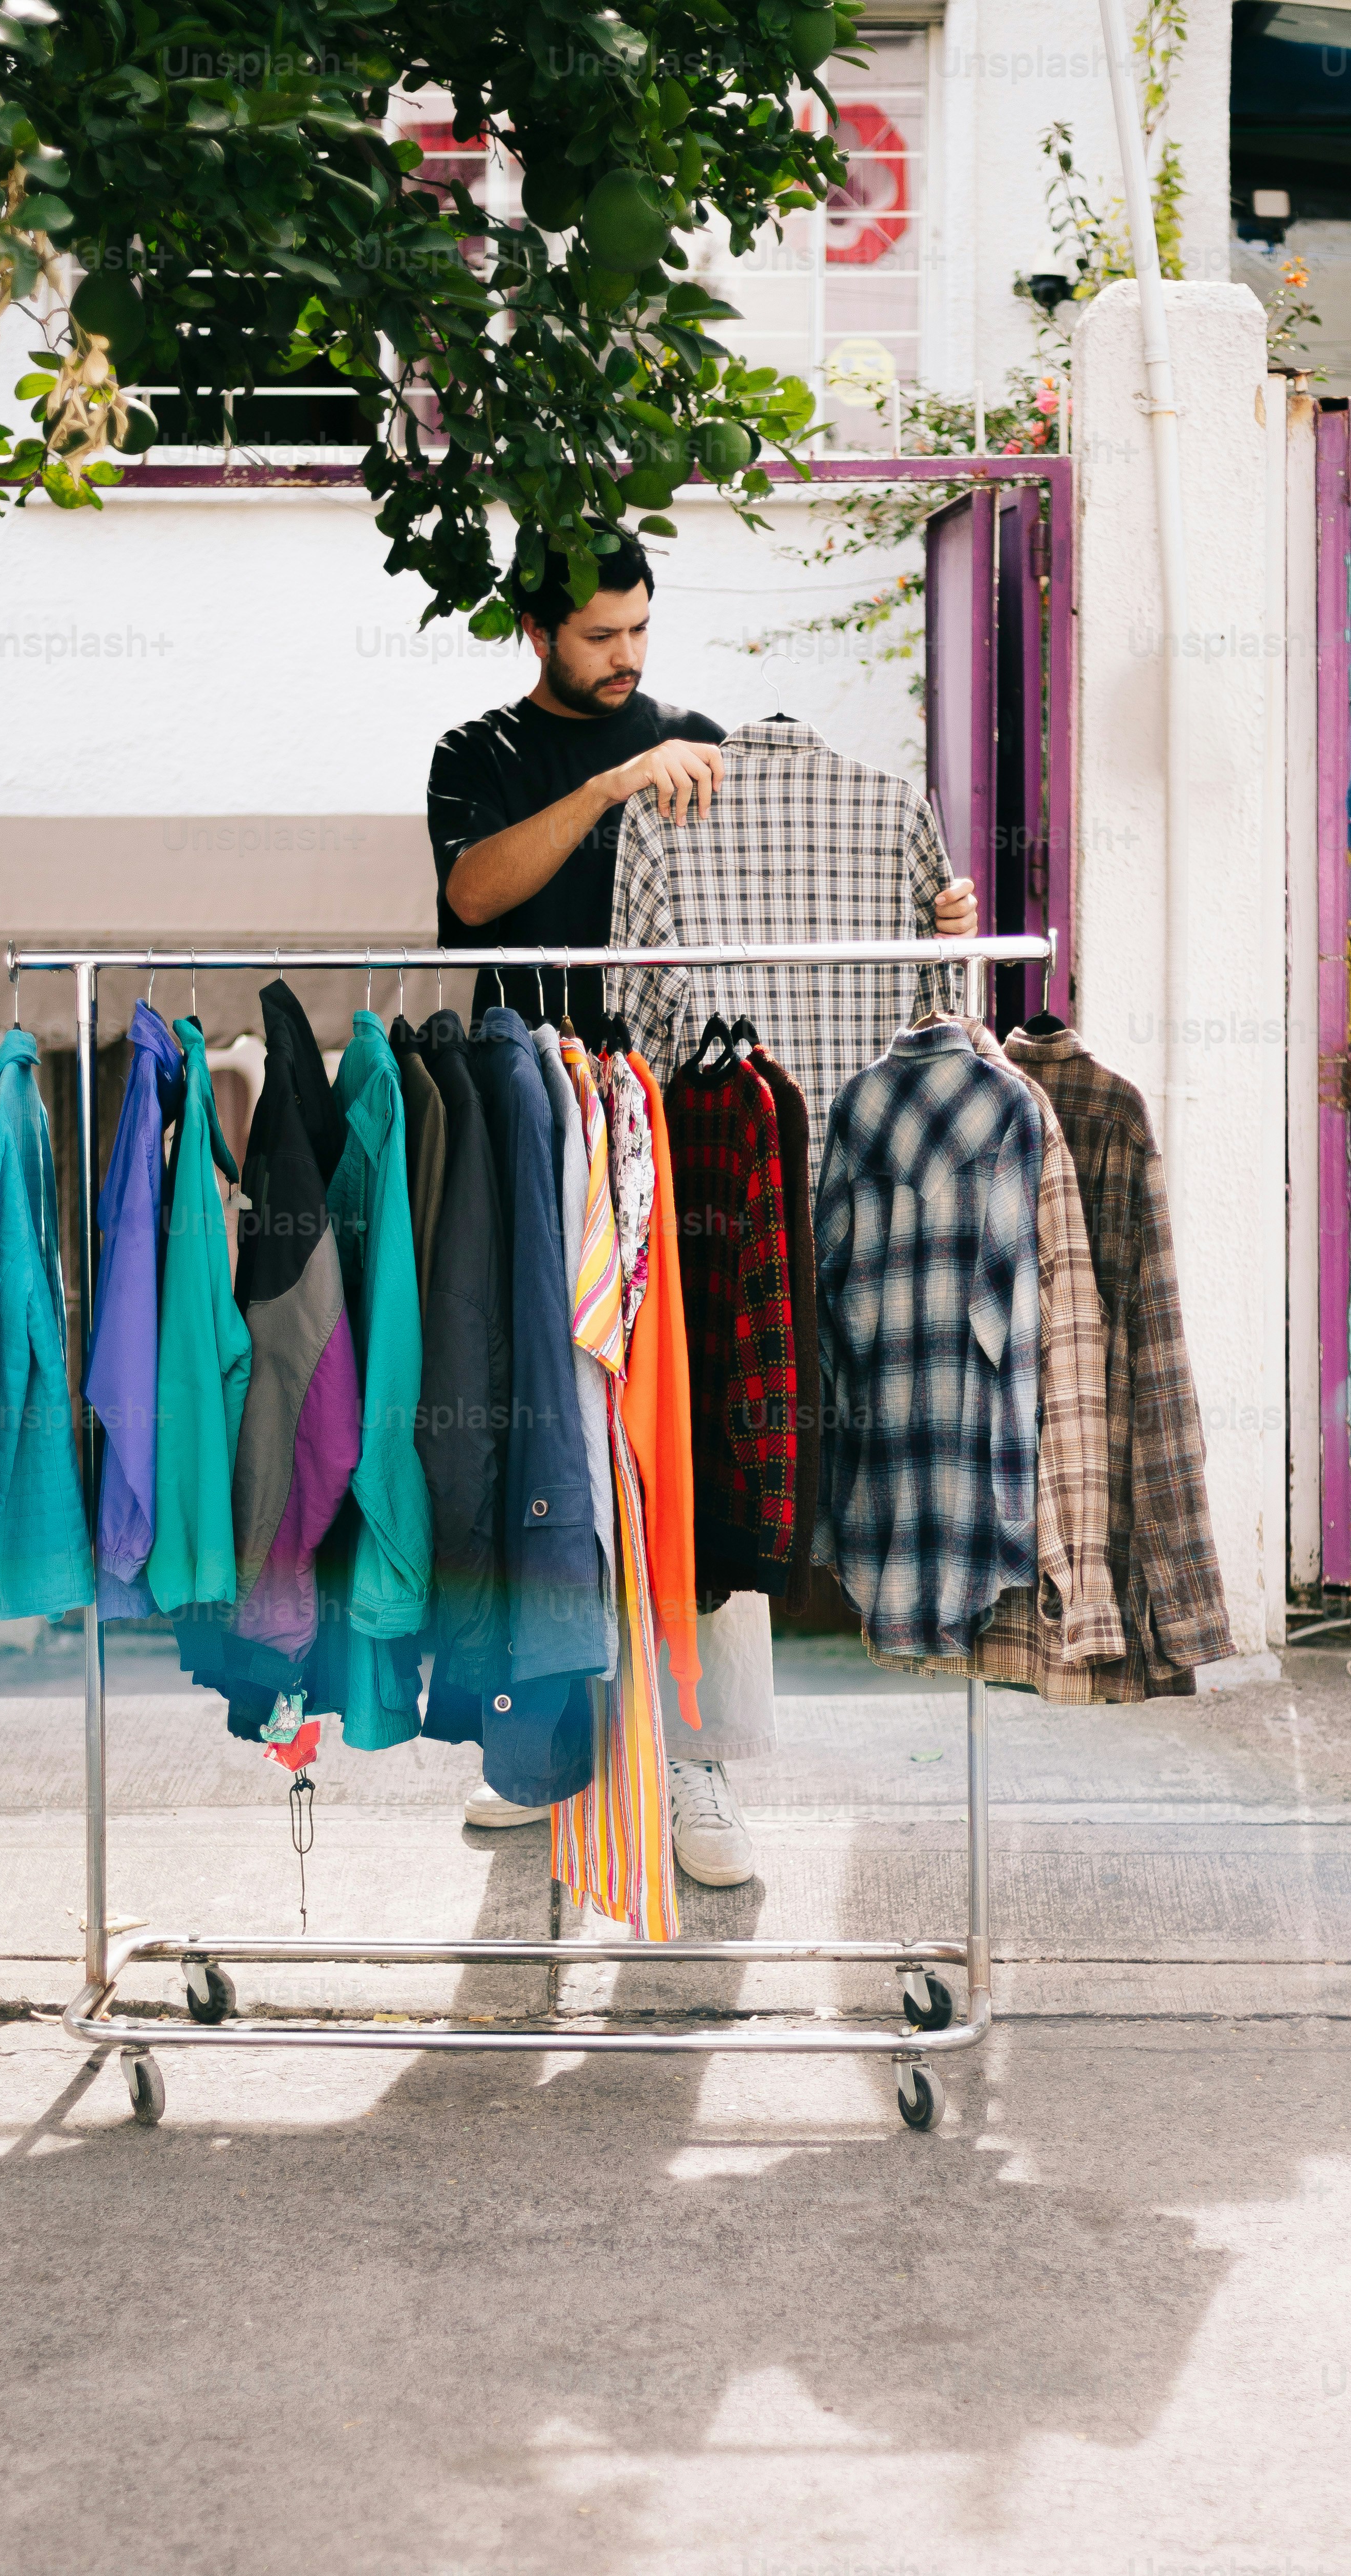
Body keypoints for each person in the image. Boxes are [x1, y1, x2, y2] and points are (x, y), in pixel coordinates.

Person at [426, 529, 978, 1887]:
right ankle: (540, 1745)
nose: (629, 658)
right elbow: (471, 892)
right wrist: (617, 786)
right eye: (603, 635)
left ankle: (698, 1771)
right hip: (524, 1118)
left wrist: (938, 929)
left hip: (674, 1134)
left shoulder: (699, 743)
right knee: (542, 1428)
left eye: (642, 632)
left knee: (694, 1438)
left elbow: (769, 912)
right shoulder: (477, 756)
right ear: (539, 631)